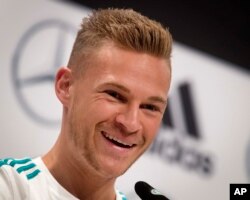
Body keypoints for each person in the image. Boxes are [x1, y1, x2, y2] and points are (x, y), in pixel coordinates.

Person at [0, 8, 172, 200]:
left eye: (150, 107)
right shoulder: (9, 187)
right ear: (65, 86)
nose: (131, 123)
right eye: (114, 94)